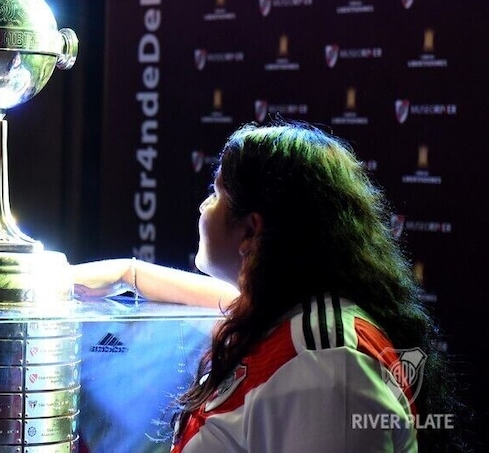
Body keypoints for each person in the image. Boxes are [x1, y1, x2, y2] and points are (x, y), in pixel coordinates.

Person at [72, 120, 469, 452]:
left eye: (216, 194)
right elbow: (227, 299)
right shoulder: (287, 314)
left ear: (250, 229)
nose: (202, 207)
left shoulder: (328, 367)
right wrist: (127, 273)